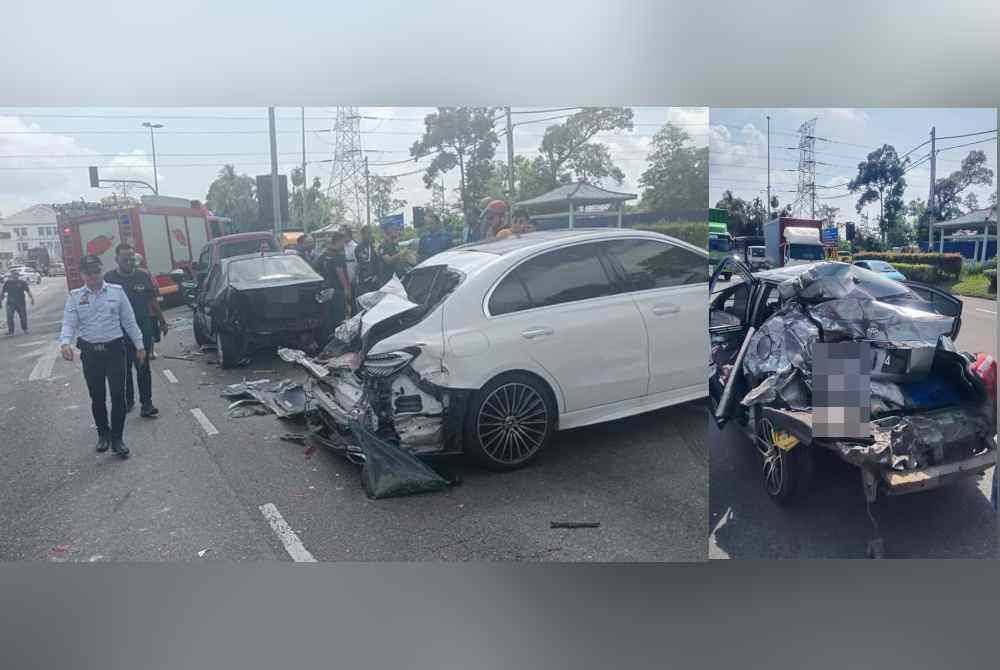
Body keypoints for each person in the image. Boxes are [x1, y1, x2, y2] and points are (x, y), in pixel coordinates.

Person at [59, 255, 146, 458]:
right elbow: (69, 323)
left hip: (115, 350)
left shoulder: (116, 292)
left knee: (118, 395)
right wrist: (65, 343)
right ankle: (103, 434)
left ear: (100, 271)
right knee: (96, 397)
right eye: (88, 273)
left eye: (96, 272)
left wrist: (140, 345)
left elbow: (129, 321)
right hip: (90, 354)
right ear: (82, 274)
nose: (92, 277)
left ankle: (117, 438)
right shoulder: (75, 296)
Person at [105, 243, 168, 418]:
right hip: (118, 333)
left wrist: (162, 321)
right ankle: (128, 400)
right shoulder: (109, 279)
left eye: (131, 258)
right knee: (124, 369)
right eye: (124, 258)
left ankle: (146, 404)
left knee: (143, 367)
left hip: (142, 330)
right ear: (116, 259)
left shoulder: (143, 276)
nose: (128, 261)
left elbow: (152, 300)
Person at [315, 232, 353, 338]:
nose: (343, 245)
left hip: (325, 290)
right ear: (339, 241)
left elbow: (316, 271)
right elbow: (340, 272)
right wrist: (347, 289)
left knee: (328, 316)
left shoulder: (323, 255)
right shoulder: (338, 256)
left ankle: (326, 337)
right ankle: (337, 338)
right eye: (343, 242)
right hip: (337, 290)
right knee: (339, 316)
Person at [1, 268, 34, 336]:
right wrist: (0, 301)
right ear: (11, 275)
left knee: (23, 316)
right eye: (14, 275)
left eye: (16, 274)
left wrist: (32, 298)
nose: (15, 276)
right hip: (10, 303)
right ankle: (11, 331)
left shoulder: (22, 282)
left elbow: (28, 291)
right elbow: (3, 293)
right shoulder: (8, 283)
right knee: (9, 317)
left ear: (18, 275)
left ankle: (25, 329)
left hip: (20, 302)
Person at [353, 225, 381, 300]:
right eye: (368, 233)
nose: (370, 235)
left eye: (371, 233)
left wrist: (376, 274)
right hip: (364, 281)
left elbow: (376, 261)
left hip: (375, 280)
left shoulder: (372, 246)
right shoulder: (359, 247)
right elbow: (364, 262)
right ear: (363, 234)